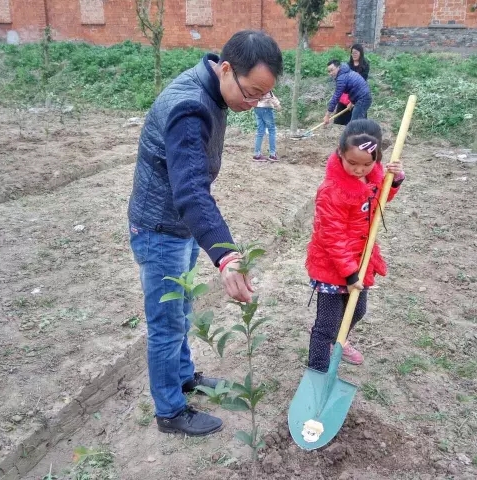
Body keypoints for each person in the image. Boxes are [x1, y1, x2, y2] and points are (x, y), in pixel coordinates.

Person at [127, 30, 283, 437]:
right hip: (160, 226)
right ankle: (170, 412)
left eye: (260, 97)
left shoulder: (213, 90)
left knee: (181, 311)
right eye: (250, 93)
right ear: (226, 69)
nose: (251, 105)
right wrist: (227, 256)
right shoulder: (190, 106)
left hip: (180, 226)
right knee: (166, 323)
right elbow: (191, 189)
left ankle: (182, 377)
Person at [305, 119, 405, 370]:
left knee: (357, 309)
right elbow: (332, 236)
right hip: (333, 266)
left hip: (360, 259)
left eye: (366, 164)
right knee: (326, 325)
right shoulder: (332, 190)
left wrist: (393, 181)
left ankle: (339, 339)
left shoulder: (371, 178)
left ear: (377, 159)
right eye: (352, 163)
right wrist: (349, 274)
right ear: (340, 153)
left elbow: (379, 200)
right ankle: (318, 369)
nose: (359, 170)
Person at [324, 60, 372, 126]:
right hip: (362, 97)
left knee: (354, 124)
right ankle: (364, 133)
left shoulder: (341, 78)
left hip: (363, 99)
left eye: (332, 70)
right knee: (358, 122)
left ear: (338, 67)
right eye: (329, 71)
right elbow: (355, 88)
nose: (331, 73)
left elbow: (336, 97)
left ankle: (362, 134)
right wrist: (352, 102)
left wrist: (327, 115)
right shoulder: (345, 72)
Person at [334, 44, 370, 126]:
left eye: (356, 53)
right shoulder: (347, 65)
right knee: (342, 116)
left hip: (358, 93)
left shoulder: (365, 65)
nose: (354, 55)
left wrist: (352, 100)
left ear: (360, 53)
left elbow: (363, 79)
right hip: (347, 93)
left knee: (358, 116)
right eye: (352, 53)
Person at [252, 92, 282, 162]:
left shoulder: (256, 86)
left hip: (257, 107)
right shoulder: (265, 86)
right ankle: (272, 155)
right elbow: (270, 96)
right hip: (266, 109)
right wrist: (278, 105)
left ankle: (257, 155)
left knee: (260, 132)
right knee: (272, 131)